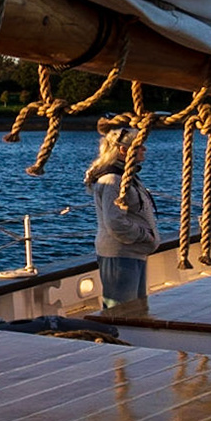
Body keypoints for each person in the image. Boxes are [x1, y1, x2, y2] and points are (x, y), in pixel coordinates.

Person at [86, 130, 159, 307]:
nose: (144, 149)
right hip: (121, 254)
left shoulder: (124, 177)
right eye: (139, 146)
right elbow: (115, 222)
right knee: (121, 311)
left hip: (133, 253)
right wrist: (145, 235)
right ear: (123, 150)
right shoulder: (112, 180)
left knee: (136, 309)